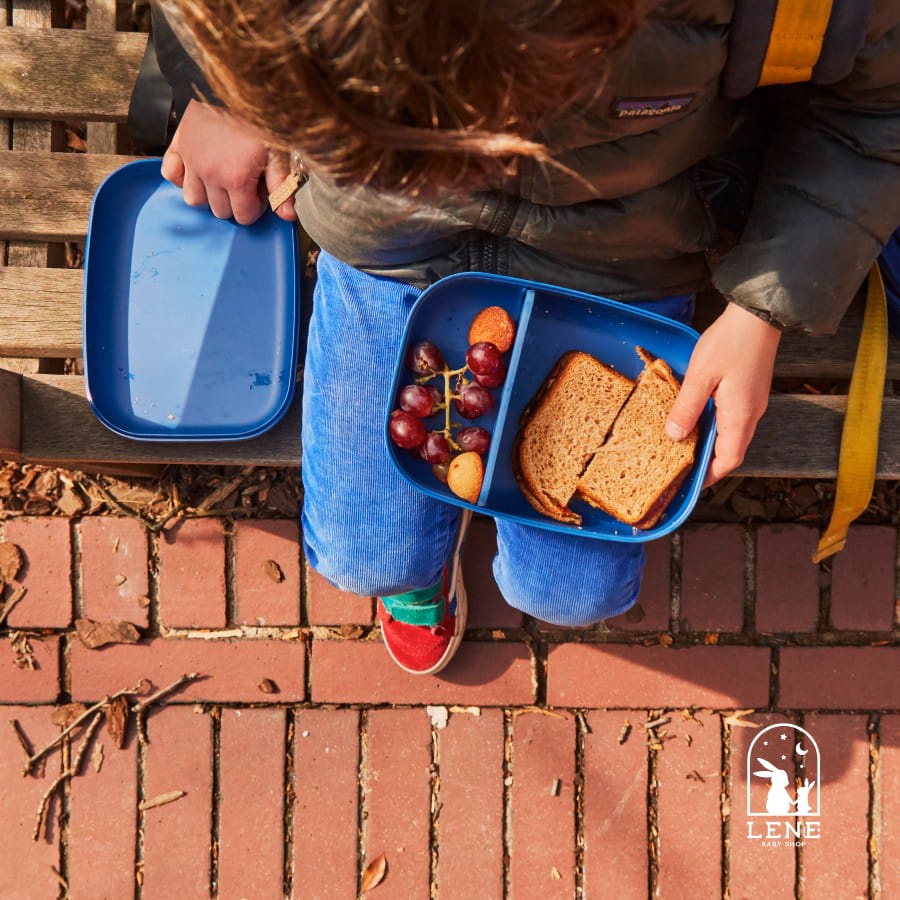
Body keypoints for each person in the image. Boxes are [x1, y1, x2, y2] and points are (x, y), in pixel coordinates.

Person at [145, 0, 900, 674]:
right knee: (363, 559)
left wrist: (762, 309)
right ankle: (418, 568)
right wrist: (223, 88)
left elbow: (877, 108)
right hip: (389, 240)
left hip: (621, 256)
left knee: (568, 596)